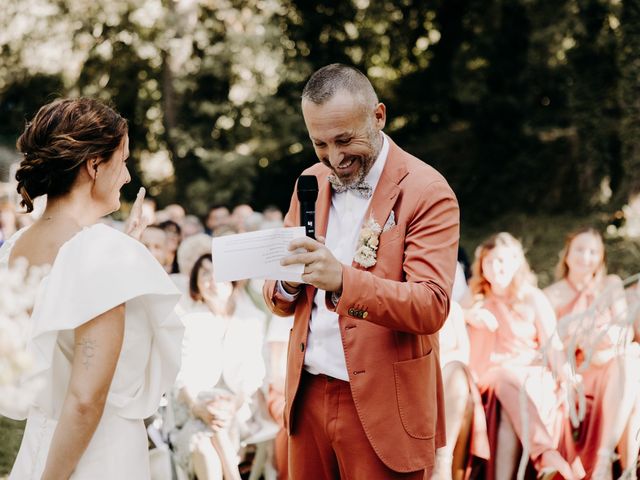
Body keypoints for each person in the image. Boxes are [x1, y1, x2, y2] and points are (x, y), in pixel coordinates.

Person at [263, 63, 460, 478]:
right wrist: (286, 280)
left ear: (378, 116)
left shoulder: (427, 190)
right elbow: (276, 293)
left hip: (384, 404)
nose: (334, 158)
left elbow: (431, 305)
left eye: (344, 140)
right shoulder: (310, 182)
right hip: (309, 396)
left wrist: (343, 281)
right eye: (320, 144)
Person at [0, 98, 184, 479]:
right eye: (124, 160)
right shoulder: (102, 254)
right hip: (96, 458)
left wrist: (123, 259)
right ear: (94, 164)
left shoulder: (14, 247)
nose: (128, 176)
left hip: (39, 446)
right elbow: (85, 401)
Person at [463, 232, 580, 480]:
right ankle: (546, 454)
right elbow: (450, 319)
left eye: (502, 261)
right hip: (489, 375)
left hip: (529, 377)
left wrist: (566, 379)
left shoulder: (533, 298)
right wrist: (469, 316)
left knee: (512, 401)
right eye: (490, 261)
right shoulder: (473, 299)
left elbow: (552, 345)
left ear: (516, 263)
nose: (496, 268)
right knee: (506, 377)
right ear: (481, 265)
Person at [544, 228, 640, 479]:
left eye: (593, 252)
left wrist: (607, 335)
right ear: (567, 255)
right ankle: (618, 468)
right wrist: (577, 339)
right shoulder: (552, 295)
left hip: (610, 362)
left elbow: (626, 329)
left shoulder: (611, 284)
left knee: (630, 361)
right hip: (577, 371)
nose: (586, 257)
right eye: (580, 249)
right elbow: (547, 344)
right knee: (632, 379)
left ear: (601, 258)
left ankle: (605, 461)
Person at [169, 254, 265, 480]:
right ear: (195, 282)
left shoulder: (251, 320)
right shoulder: (189, 321)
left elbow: (253, 376)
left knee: (213, 434)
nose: (212, 281)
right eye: (204, 274)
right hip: (192, 411)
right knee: (205, 449)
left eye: (218, 274)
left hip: (237, 411)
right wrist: (198, 408)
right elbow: (182, 378)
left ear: (232, 281)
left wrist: (232, 406)